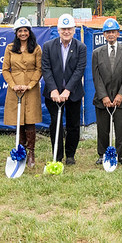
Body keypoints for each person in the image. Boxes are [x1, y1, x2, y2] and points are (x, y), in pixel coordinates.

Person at [41, 13, 87, 165]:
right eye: (63, 29)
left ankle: (70, 155)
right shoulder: (48, 46)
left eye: (69, 29)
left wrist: (67, 90)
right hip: (53, 95)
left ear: (74, 30)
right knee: (56, 124)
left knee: (73, 124)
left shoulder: (81, 47)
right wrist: (54, 90)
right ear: (58, 30)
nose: (66, 32)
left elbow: (79, 70)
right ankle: (57, 156)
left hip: (73, 93)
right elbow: (46, 69)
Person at [92, 18, 122, 165]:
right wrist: (103, 96)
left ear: (118, 33)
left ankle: (121, 155)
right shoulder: (97, 53)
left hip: (120, 97)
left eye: (113, 32)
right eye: (108, 32)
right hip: (102, 98)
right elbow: (96, 76)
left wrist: (120, 94)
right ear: (104, 34)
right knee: (103, 128)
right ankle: (102, 154)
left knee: (121, 128)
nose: (110, 34)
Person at [3, 17, 43, 168]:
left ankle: (31, 153)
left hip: (31, 89)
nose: (23, 33)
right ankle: (21, 152)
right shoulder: (10, 48)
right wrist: (13, 85)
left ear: (29, 32)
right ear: (16, 33)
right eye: (20, 31)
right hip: (15, 89)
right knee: (18, 120)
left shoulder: (36, 48)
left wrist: (31, 84)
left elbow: (39, 69)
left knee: (30, 120)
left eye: (25, 30)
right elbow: (6, 69)